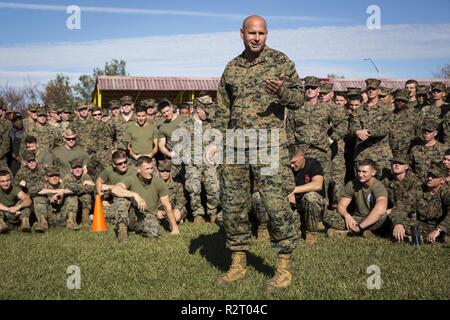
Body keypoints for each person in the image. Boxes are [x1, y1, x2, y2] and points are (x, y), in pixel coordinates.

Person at [209, 15, 303, 292]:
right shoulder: (232, 67)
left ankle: (284, 267)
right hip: (236, 143)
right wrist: (215, 140)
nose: (256, 38)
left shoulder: (281, 61)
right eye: (252, 33)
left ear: (267, 34)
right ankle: (238, 264)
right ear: (241, 34)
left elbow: (298, 100)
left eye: (261, 33)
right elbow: (222, 108)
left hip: (269, 143)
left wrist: (283, 91)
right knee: (234, 205)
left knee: (275, 204)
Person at [110, 156, 180, 242]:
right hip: (132, 213)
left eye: (151, 168)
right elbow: (115, 189)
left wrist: (175, 228)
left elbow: (167, 205)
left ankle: (135, 229)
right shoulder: (131, 178)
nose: (150, 171)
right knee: (122, 199)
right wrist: (135, 195)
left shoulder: (159, 181)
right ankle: (122, 231)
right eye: (147, 169)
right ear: (138, 169)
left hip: (147, 215)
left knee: (154, 232)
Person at [323, 159, 389, 238]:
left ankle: (349, 232)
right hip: (356, 219)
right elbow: (341, 206)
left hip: (373, 220)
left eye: (364, 172)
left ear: (373, 173)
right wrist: (347, 216)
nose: (360, 175)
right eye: (359, 171)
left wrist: (360, 227)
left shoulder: (378, 186)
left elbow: (380, 210)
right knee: (326, 214)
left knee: (384, 217)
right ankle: (366, 232)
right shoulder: (352, 184)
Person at [391, 162, 449, 243]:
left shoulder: (446, 192)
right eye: (428, 175)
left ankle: (437, 238)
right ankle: (424, 238)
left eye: (434, 176)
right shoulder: (418, 190)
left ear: (442, 180)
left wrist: (439, 230)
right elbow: (400, 207)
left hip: (442, 227)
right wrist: (398, 224)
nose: (429, 178)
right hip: (425, 226)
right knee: (398, 223)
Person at [350, 79, 393, 180]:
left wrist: (367, 132)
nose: (371, 91)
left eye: (374, 89)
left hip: (380, 155)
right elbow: (352, 126)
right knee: (360, 185)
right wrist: (357, 131)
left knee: (382, 185)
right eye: (369, 89)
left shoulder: (385, 109)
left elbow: (385, 127)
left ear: (378, 91)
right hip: (362, 154)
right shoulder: (359, 109)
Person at [287, 146, 326, 245]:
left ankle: (311, 233)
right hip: (297, 208)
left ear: (301, 156)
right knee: (291, 233)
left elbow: (318, 185)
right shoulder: (288, 168)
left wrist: (294, 190)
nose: (292, 165)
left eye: (294, 162)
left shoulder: (313, 164)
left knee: (310, 197)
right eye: (290, 163)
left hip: (315, 209)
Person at [33, 165, 79, 233]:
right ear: (46, 177)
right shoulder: (42, 185)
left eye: (56, 175)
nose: (54, 177)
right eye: (51, 176)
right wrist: (54, 192)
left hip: (62, 216)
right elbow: (32, 190)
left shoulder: (64, 184)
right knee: (38, 197)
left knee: (72, 196)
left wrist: (63, 191)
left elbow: (77, 188)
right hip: (49, 217)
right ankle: (42, 223)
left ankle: (71, 222)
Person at [0, 169, 32, 234]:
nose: (6, 183)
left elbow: (28, 200)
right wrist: (9, 209)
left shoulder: (14, 188)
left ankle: (25, 224)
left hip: (14, 213)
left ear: (11, 180)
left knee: (25, 206)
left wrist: (18, 207)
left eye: (7, 180)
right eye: (2, 181)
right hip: (4, 213)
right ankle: (1, 225)